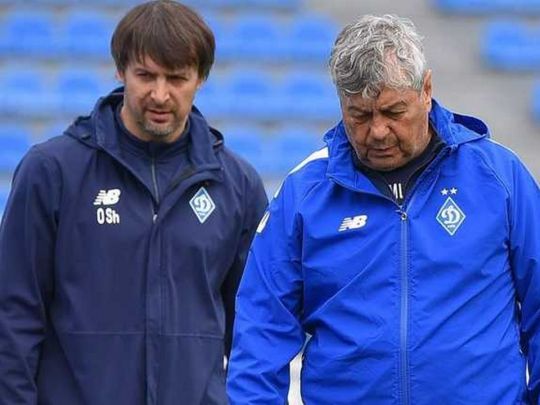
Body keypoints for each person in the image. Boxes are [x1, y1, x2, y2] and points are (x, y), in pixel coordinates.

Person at [227, 14, 540, 404]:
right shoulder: (304, 194)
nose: (377, 131)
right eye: (359, 115)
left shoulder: (499, 176)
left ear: (426, 91)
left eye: (393, 112)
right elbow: (260, 330)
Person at [0, 1, 267, 404]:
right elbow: (13, 315)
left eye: (176, 78)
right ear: (120, 70)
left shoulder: (238, 185)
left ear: (200, 78)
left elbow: (252, 331)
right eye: (145, 75)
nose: (160, 94)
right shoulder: (52, 171)